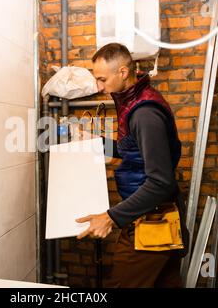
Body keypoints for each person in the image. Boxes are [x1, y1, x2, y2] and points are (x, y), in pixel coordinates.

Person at [76, 43, 188, 288]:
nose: (99, 86)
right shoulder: (133, 102)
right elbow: (134, 151)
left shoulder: (144, 113)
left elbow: (160, 182)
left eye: (102, 79)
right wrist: (100, 143)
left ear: (123, 73)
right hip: (155, 216)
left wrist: (110, 217)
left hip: (151, 220)